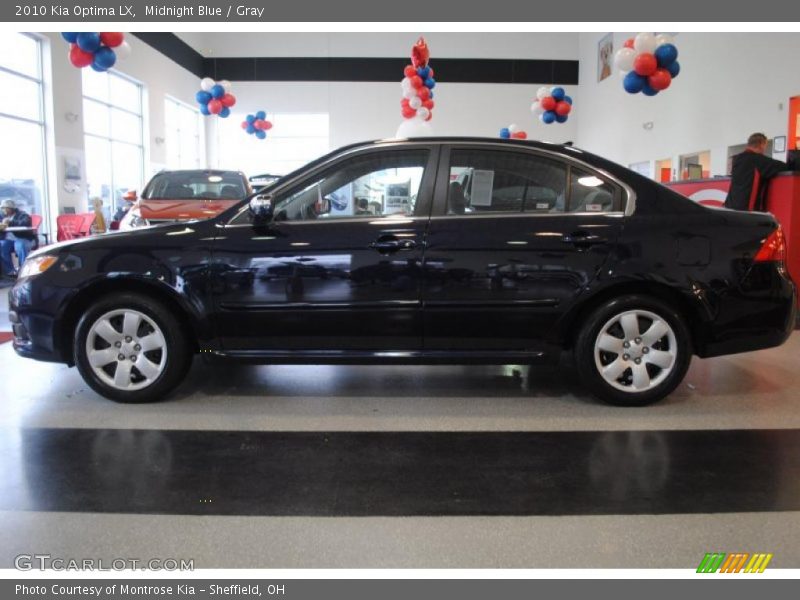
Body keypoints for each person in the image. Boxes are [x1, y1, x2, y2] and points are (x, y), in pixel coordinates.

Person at [724, 133, 788, 211]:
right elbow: (783, 166)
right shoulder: (758, 160)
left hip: (730, 204)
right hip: (746, 209)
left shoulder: (737, 159)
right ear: (761, 144)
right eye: (765, 145)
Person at [0, 199, 34, 279]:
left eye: (5, 208)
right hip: (9, 240)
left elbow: (25, 223)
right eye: (2, 208)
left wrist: (11, 222)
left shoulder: (23, 215)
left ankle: (24, 270)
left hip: (22, 238)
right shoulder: (2, 216)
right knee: (2, 246)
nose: (3, 210)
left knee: (20, 245)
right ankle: (10, 272)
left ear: (11, 208)